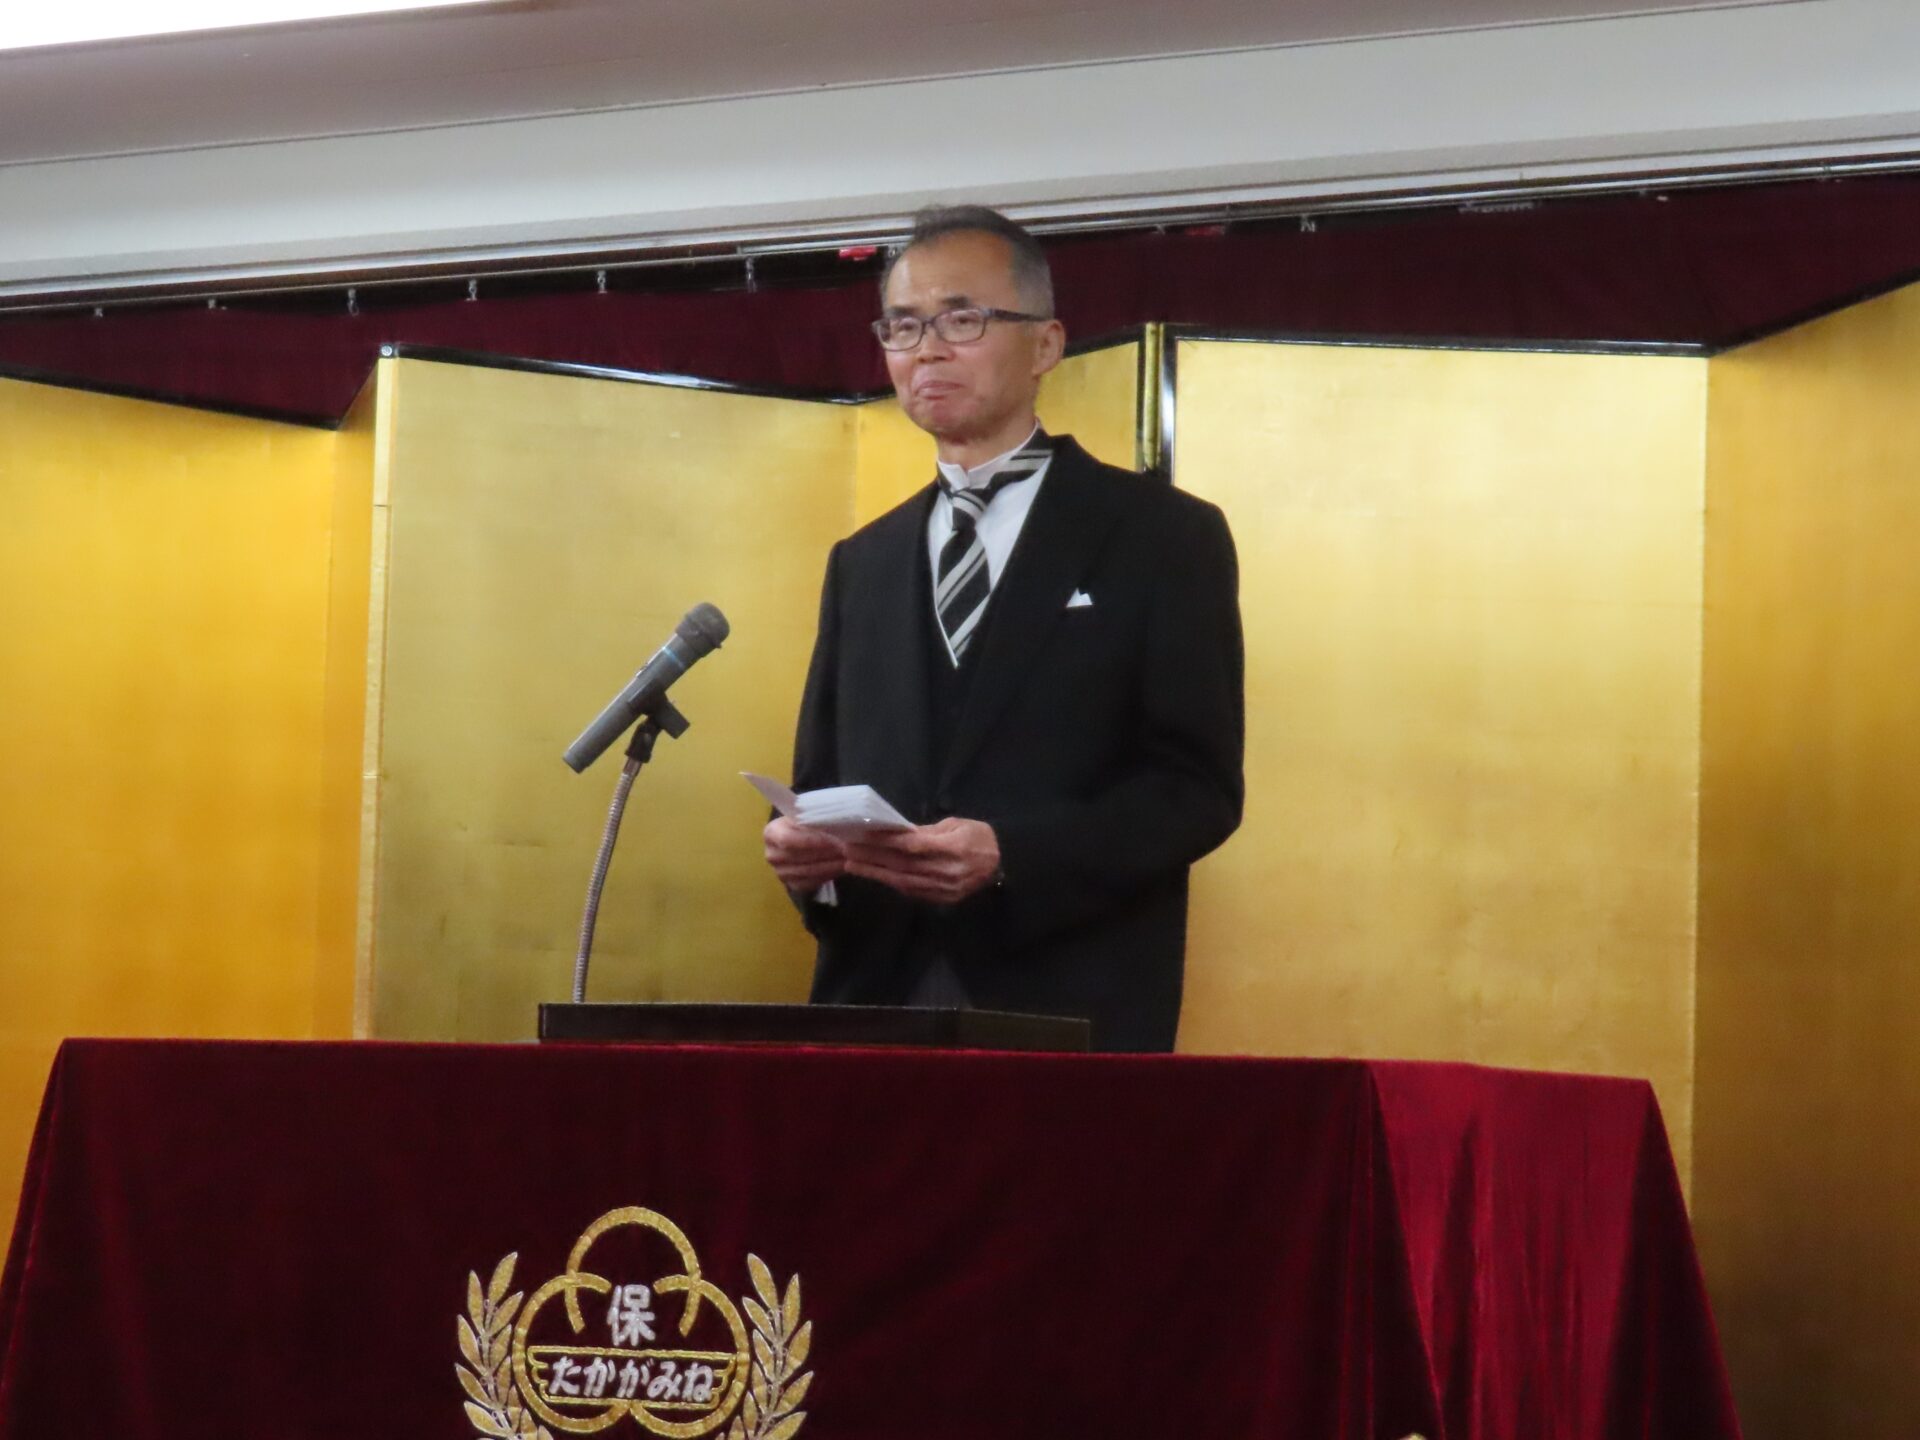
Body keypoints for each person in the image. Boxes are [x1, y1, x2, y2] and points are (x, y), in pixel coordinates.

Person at [762, 205, 1244, 1052]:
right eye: (902, 326)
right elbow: (822, 781)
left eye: (962, 320)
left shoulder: (1163, 536)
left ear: (1046, 345)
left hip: (1071, 1003)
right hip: (875, 1003)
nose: (927, 351)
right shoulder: (862, 562)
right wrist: (810, 867)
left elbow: (1194, 790)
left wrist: (1011, 854)